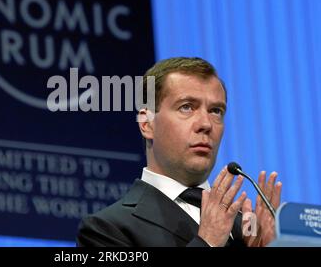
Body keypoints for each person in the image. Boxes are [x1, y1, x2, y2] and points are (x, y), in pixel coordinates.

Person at [76, 57, 282, 247]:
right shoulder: (107, 229)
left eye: (215, 111)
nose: (205, 124)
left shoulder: (247, 228)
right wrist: (207, 242)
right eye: (186, 107)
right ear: (147, 124)